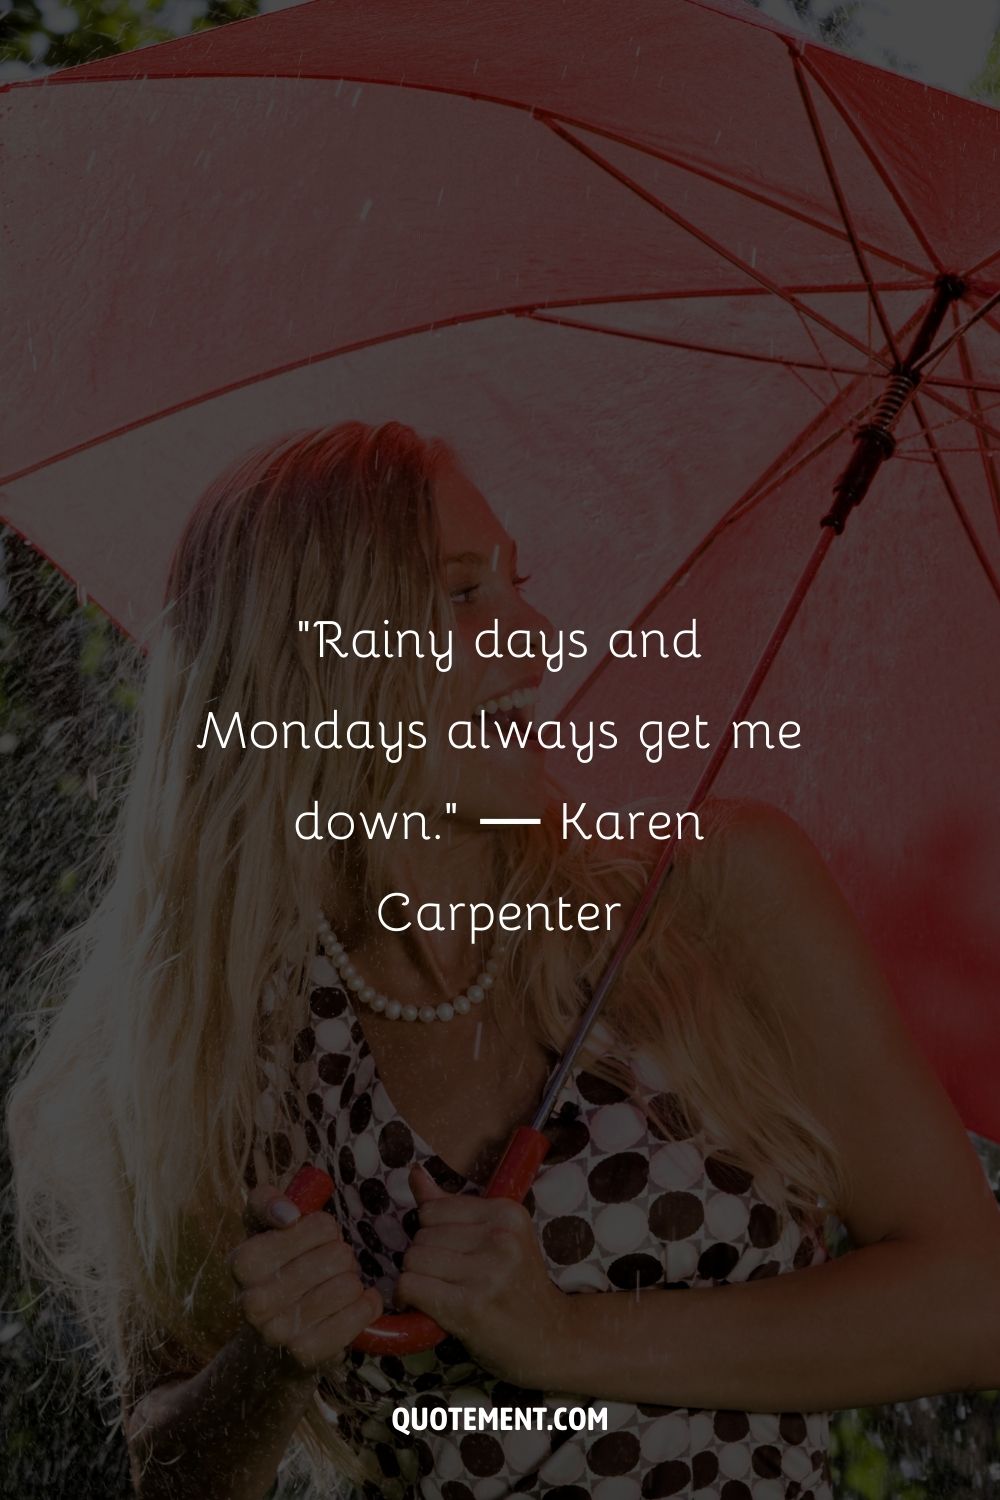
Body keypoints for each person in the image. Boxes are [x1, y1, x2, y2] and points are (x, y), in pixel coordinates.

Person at [8, 420, 1000, 1500]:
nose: (534, 641)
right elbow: (169, 1465)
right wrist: (269, 1365)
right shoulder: (216, 1037)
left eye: (515, 587)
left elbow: (972, 1300)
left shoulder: (703, 896)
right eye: (464, 595)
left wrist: (566, 1339)